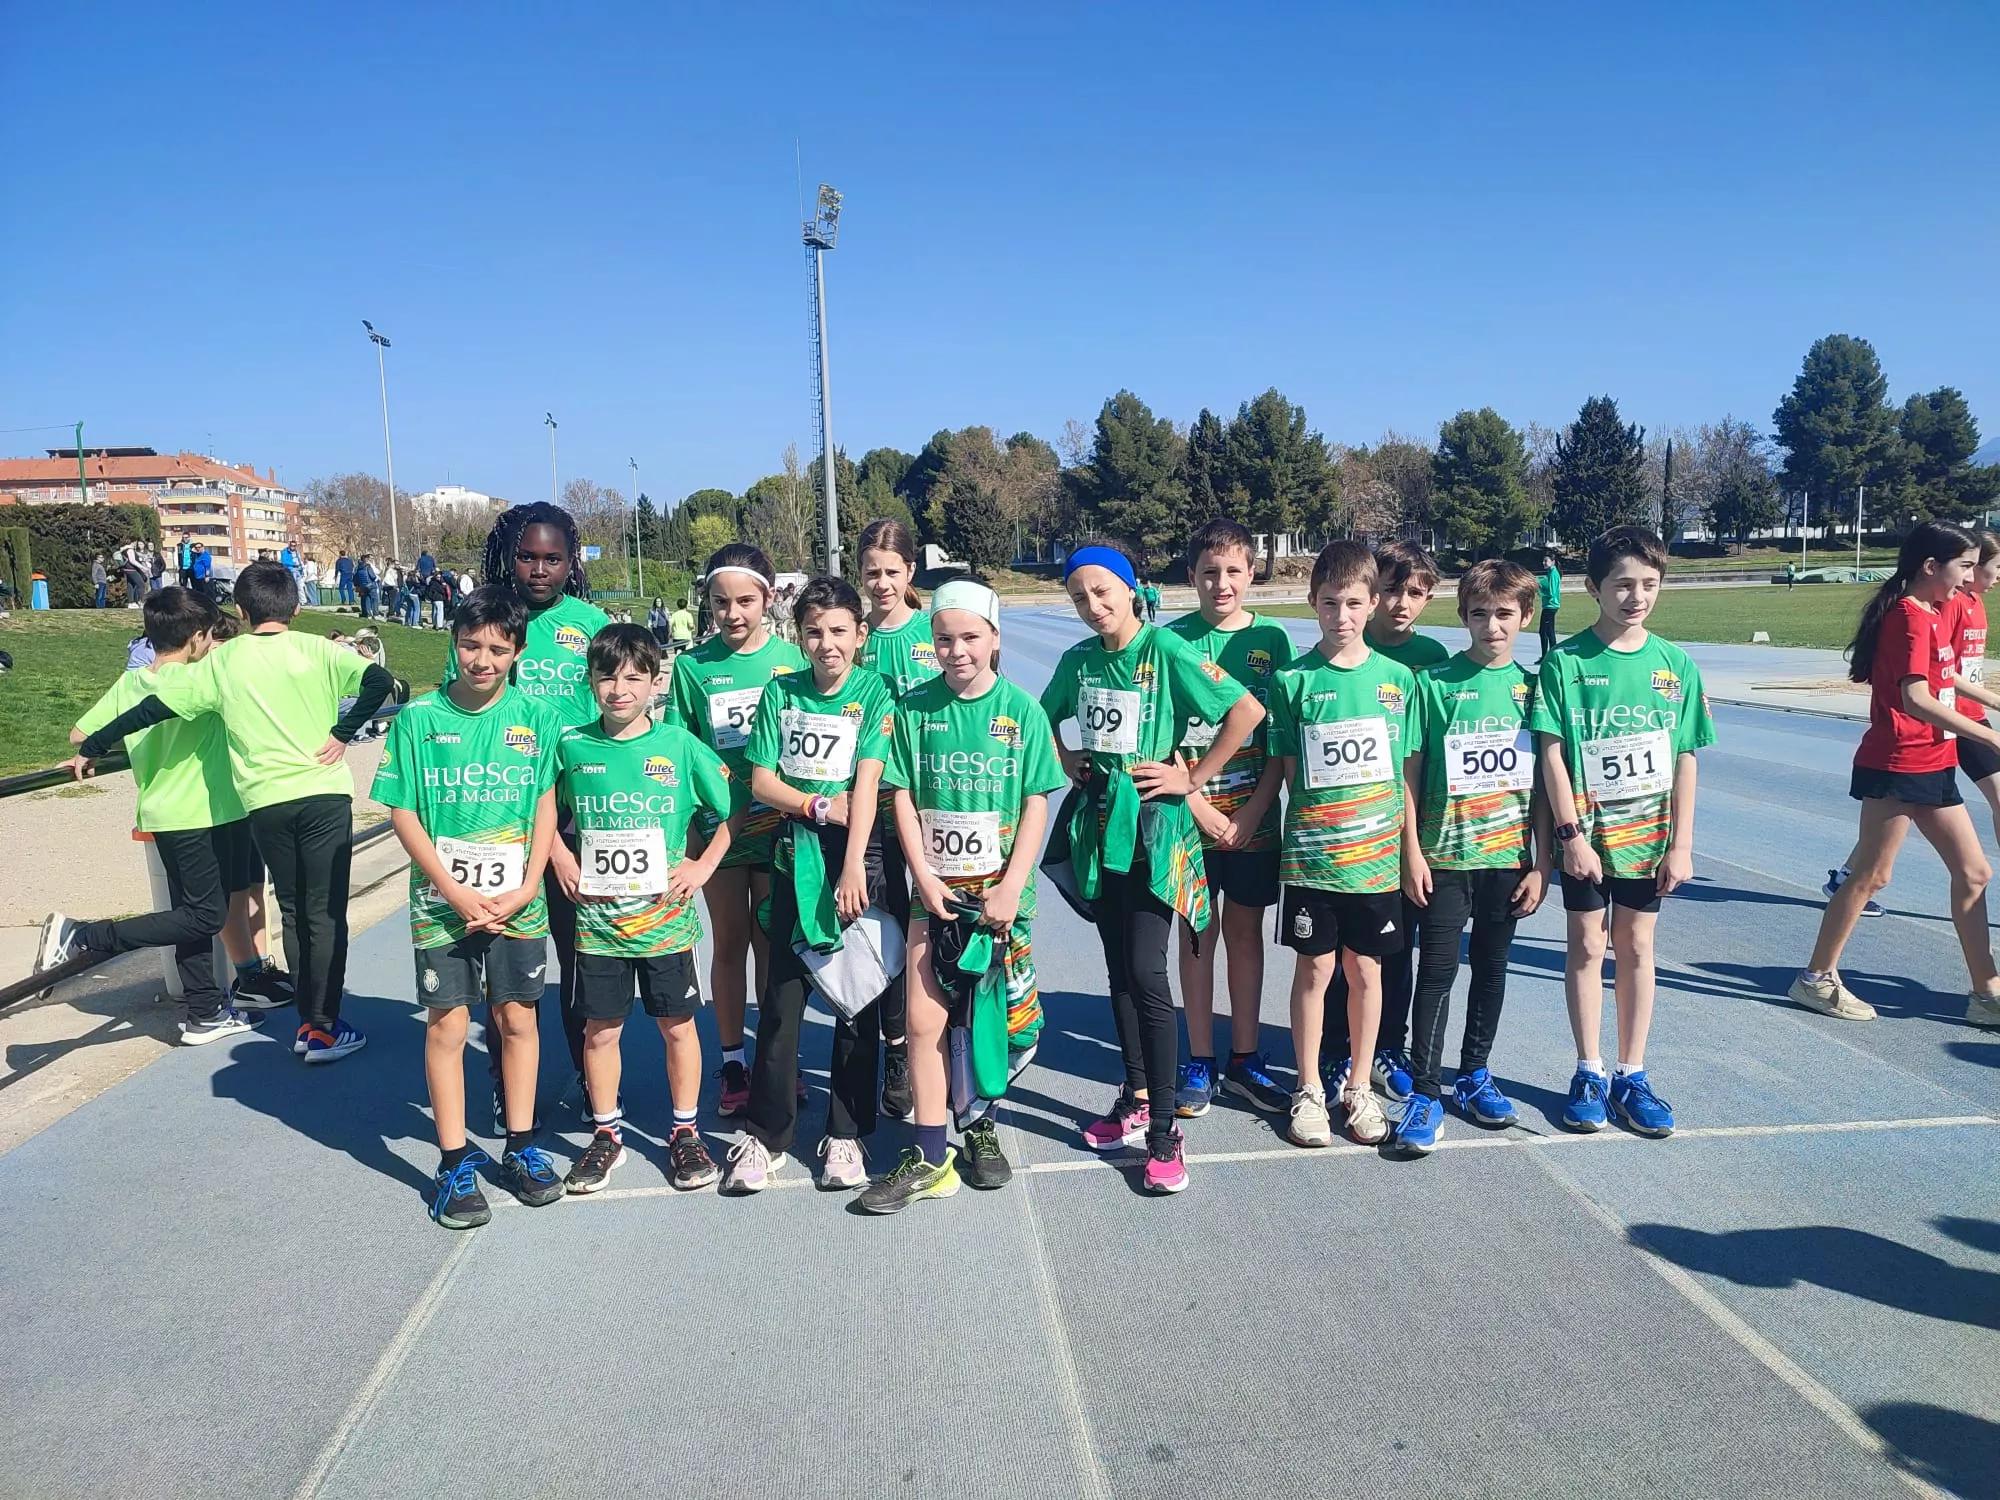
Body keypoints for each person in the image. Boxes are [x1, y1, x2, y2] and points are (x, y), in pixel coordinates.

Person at [74, 563, 392, 1060]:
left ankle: (306, 1022)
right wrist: (342, 734)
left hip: (264, 802)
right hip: (324, 794)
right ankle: (322, 1026)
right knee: (324, 913)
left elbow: (153, 708)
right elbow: (381, 682)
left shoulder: (222, 663)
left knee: (292, 909)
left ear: (240, 612)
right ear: (298, 606)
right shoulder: (321, 648)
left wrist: (94, 744)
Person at [1042, 541, 1263, 1193]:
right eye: (1080, 596)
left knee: (1146, 972)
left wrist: (1191, 775)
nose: (1092, 606)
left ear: (1131, 588)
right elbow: (1039, 716)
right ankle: (1136, 1099)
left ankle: (1166, 1130)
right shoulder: (1078, 661)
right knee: (1117, 972)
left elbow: (1245, 712)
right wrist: (1063, 757)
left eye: (1103, 592)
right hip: (1097, 830)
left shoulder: (1163, 652)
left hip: (1154, 833)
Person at [860, 580, 1067, 1212]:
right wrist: (921, 875)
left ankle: (979, 1129)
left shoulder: (1022, 713)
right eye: (944, 639)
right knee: (923, 1023)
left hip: (997, 905)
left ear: (994, 639)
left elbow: (1037, 801)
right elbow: (899, 792)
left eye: (970, 637)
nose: (957, 651)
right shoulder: (916, 710)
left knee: (988, 1026)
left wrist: (1010, 885)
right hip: (935, 897)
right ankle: (928, 1153)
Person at [371, 587, 565, 1227]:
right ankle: (454, 1160)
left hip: (517, 903)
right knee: (448, 1027)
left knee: (518, 1023)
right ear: (454, 642)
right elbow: (402, 811)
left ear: (517, 652)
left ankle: (522, 1146)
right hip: (441, 904)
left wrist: (530, 882)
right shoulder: (419, 720)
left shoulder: (536, 718)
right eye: (471, 645)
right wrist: (453, 890)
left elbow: (544, 803)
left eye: (498, 649)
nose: (482, 659)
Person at [34, 588, 286, 1040]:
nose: (212, 644)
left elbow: (78, 733)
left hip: (186, 812)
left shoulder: (130, 684)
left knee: (191, 911)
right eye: (209, 636)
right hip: (197, 814)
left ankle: (205, 1011)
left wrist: (94, 750)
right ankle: (84, 936)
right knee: (205, 916)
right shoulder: (206, 677)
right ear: (195, 638)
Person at [1531, 525, 1713, 1136]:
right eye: (1624, 584)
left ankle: (1632, 1074)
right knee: (1586, 947)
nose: (1637, 596)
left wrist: (1682, 844)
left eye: (1650, 585)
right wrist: (1569, 835)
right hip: (1587, 837)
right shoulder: (1565, 663)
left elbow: (1685, 757)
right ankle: (1588, 1068)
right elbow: (1551, 754)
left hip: (1650, 838)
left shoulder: (1677, 666)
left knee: (1636, 948)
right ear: (1594, 588)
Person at [1787, 522, 2000, 1030]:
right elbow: (1915, 697)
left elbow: (1944, 676)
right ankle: (1816, 978)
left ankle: (1986, 992)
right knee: (1872, 876)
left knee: (1974, 873)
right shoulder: (1908, 616)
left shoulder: (1930, 612)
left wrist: (1993, 706)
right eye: (1964, 566)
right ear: (1931, 567)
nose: (1970, 577)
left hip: (1934, 759)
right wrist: (1989, 736)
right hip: (1898, 761)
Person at [728, 575, 898, 1192]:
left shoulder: (875, 694)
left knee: (858, 1003)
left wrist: (854, 864)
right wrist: (817, 808)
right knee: (781, 1001)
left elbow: (869, 787)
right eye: (814, 633)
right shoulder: (781, 694)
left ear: (861, 634)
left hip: (859, 860)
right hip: (795, 852)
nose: (827, 644)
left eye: (838, 632)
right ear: (799, 639)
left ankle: (847, 1135)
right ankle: (768, 1134)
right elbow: (763, 783)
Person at [556, 625, 736, 1194]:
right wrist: (560, 858)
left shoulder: (679, 746)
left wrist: (702, 867)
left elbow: (734, 811)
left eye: (634, 677)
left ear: (656, 683)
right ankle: (606, 1136)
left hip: (665, 924)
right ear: (589, 681)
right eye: (607, 676)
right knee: (600, 1032)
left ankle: (685, 1132)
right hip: (598, 925)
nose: (619, 689)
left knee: (678, 1027)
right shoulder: (571, 746)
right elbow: (540, 810)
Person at [1388, 560, 1551, 1154]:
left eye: (1505, 614)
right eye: (1479, 614)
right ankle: (1426, 1091)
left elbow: (1543, 785)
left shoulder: (1535, 690)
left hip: (1508, 856)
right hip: (1444, 854)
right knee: (1435, 973)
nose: (1492, 625)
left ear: (1525, 617)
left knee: (1491, 968)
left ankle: (1474, 1073)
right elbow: (1408, 774)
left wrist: (1542, 864)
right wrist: (1411, 852)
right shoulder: (1433, 684)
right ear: (1463, 618)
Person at [458, 502, 611, 1130]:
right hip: (505, 824)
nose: (539, 569)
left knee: (582, 958)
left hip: (582, 819)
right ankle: (504, 1084)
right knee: (506, 970)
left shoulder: (591, 623)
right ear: (507, 555)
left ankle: (588, 1073)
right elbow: (466, 719)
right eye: (527, 556)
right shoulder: (484, 623)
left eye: (553, 558)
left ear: (572, 561)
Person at [1267, 540, 1416, 1150]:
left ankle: (1358, 1086)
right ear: (1312, 604)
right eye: (1330, 603)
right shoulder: (1293, 680)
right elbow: (1285, 771)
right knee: (1317, 968)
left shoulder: (1398, 681)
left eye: (1355, 603)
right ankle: (1307, 1089)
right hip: (1312, 856)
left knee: (1366, 970)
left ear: (1373, 603)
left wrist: (1409, 850)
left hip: (1376, 862)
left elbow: (1404, 773)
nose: (1342, 616)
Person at [668, 544, 809, 1117]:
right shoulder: (690, 668)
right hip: (717, 828)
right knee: (729, 942)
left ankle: (778, 1059)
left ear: (768, 599)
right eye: (721, 602)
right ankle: (732, 1062)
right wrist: (688, 832)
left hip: (779, 825)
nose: (733, 613)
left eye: (746, 601)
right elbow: (677, 751)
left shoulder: (791, 663)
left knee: (772, 943)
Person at [1166, 519, 1293, 1119]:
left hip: (1254, 823)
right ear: (1191, 576)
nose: (1221, 584)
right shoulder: (1169, 641)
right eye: (1209, 572)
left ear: (1251, 573)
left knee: (1245, 935)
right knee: (1197, 935)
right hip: (1188, 823)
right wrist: (1194, 803)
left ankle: (1245, 1056)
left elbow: (1279, 741)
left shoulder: (1272, 641)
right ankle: (1198, 1057)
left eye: (1233, 572)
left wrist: (1253, 812)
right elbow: (1158, 739)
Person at [1323, 539, 1448, 1103]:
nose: (1403, 603)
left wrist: (1413, 842)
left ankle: (1384, 1048)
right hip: (1343, 840)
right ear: (1373, 596)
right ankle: (1333, 1049)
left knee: (1393, 951)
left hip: (1415, 830)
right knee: (1337, 954)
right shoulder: (1341, 647)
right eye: (1393, 589)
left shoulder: (1434, 663)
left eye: (1416, 593)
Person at [854, 517, 936, 1119]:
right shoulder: (854, 638)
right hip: (870, 811)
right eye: (871, 573)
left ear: (911, 573)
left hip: (932, 804)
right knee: (882, 935)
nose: (881, 583)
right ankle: (896, 1049)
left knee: (927, 930)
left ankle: (938, 1043)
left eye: (891, 572)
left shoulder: (934, 634)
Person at [1950, 532, 2000, 851]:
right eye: (1998, 566)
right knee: (1901, 808)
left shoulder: (1976, 602)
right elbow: (1938, 670)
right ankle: (1849, 877)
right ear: (1974, 566)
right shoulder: (1952, 603)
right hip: (1946, 717)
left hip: (1972, 715)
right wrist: (1994, 698)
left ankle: (1847, 876)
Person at [1538, 553, 1563, 655]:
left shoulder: (1553, 573)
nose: (1543, 563)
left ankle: (1551, 655)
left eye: (1546, 561)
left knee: (1548, 632)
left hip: (1551, 606)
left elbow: (1551, 592)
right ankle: (1545, 655)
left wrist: (1540, 587)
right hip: (1548, 606)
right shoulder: (1550, 573)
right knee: (1544, 632)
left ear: (1552, 562)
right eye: (1543, 561)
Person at [353, 554, 378, 619]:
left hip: (362, 586)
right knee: (374, 599)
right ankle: (375, 614)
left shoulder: (358, 567)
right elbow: (373, 576)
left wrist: (357, 585)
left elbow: (355, 577)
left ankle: (368, 614)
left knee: (366, 599)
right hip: (370, 585)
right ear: (366, 560)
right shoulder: (368, 566)